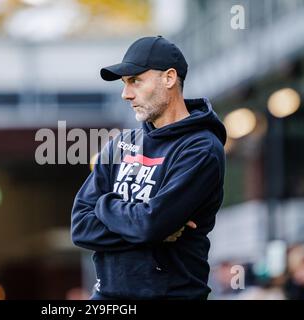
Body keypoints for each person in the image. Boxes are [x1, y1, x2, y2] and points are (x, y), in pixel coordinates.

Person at [71, 36, 226, 300]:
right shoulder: (122, 144)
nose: (125, 94)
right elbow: (81, 227)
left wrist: (104, 205)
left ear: (169, 78)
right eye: (124, 83)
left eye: (135, 81)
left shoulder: (201, 148)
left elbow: (151, 224)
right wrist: (146, 228)